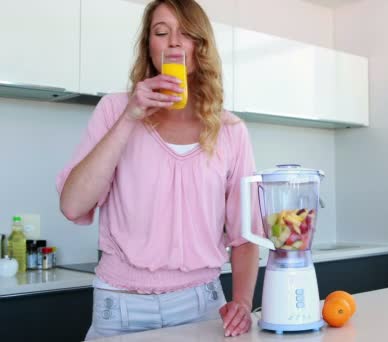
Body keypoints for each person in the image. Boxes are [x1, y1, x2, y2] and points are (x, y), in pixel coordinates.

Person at [56, 0, 262, 339]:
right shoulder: (114, 109)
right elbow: (73, 205)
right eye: (161, 32)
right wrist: (130, 116)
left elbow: (245, 234)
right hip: (120, 305)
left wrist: (241, 301)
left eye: (186, 34)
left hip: (202, 304)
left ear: (201, 46)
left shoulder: (230, 130)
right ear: (149, 48)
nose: (174, 43)